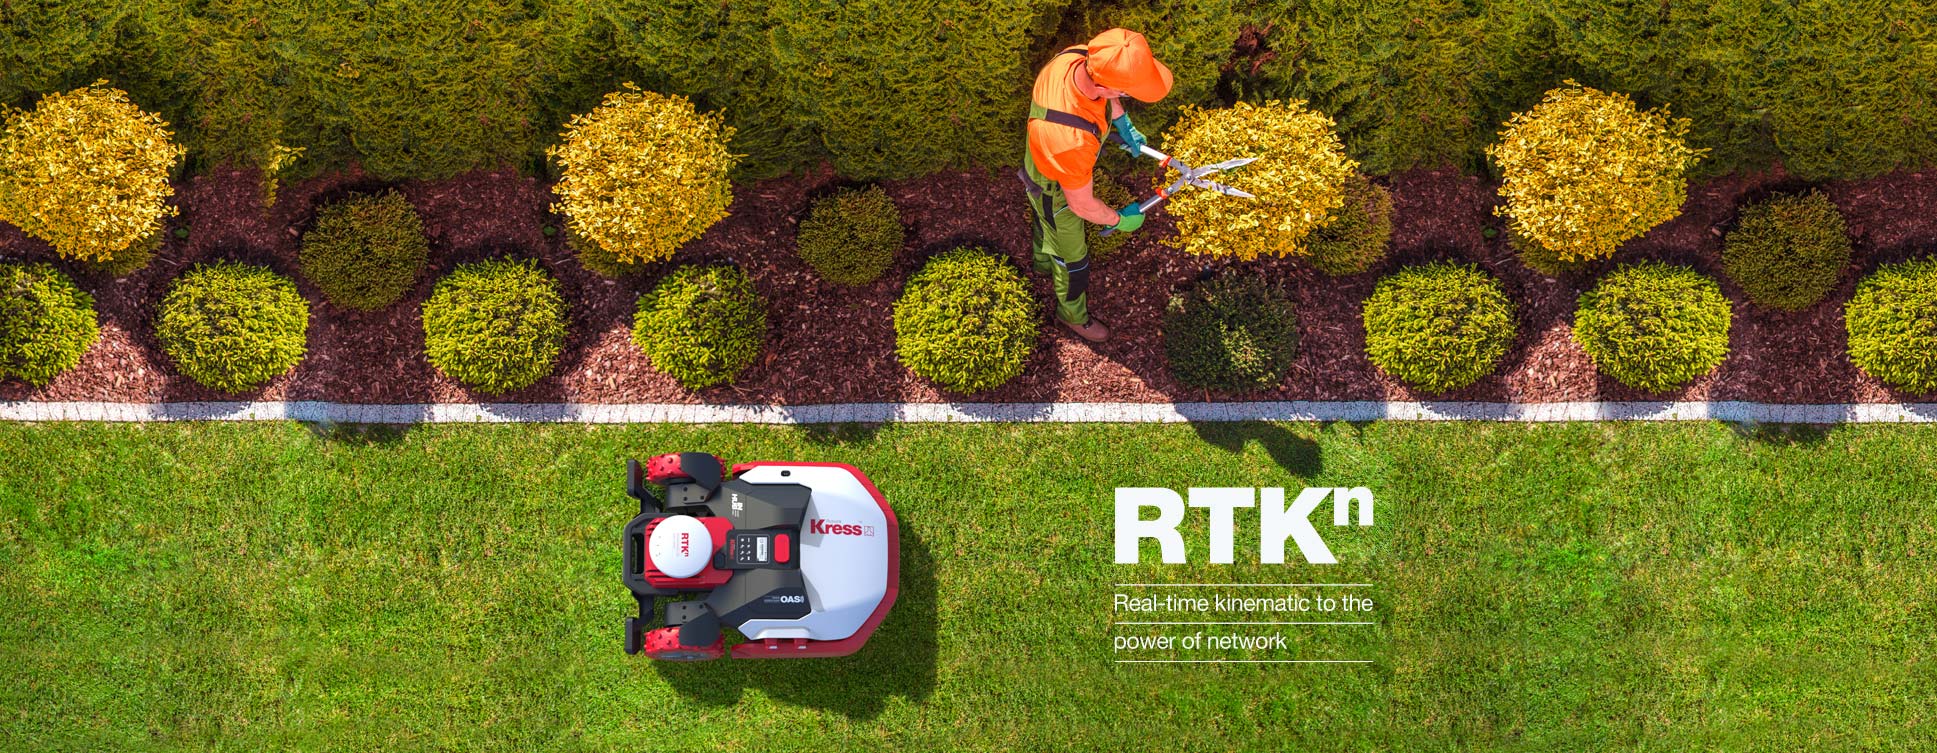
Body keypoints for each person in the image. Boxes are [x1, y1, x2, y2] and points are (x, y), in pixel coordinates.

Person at [1019, 28, 1173, 343]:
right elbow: (1082, 206)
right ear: (1103, 85)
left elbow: (1106, 92)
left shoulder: (1076, 57)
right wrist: (1121, 219)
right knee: (1072, 260)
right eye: (1126, 92)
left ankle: (1040, 262)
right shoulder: (1071, 142)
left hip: (1040, 159)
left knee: (1042, 222)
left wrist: (1121, 121)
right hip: (1055, 190)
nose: (1124, 98)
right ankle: (1072, 315)